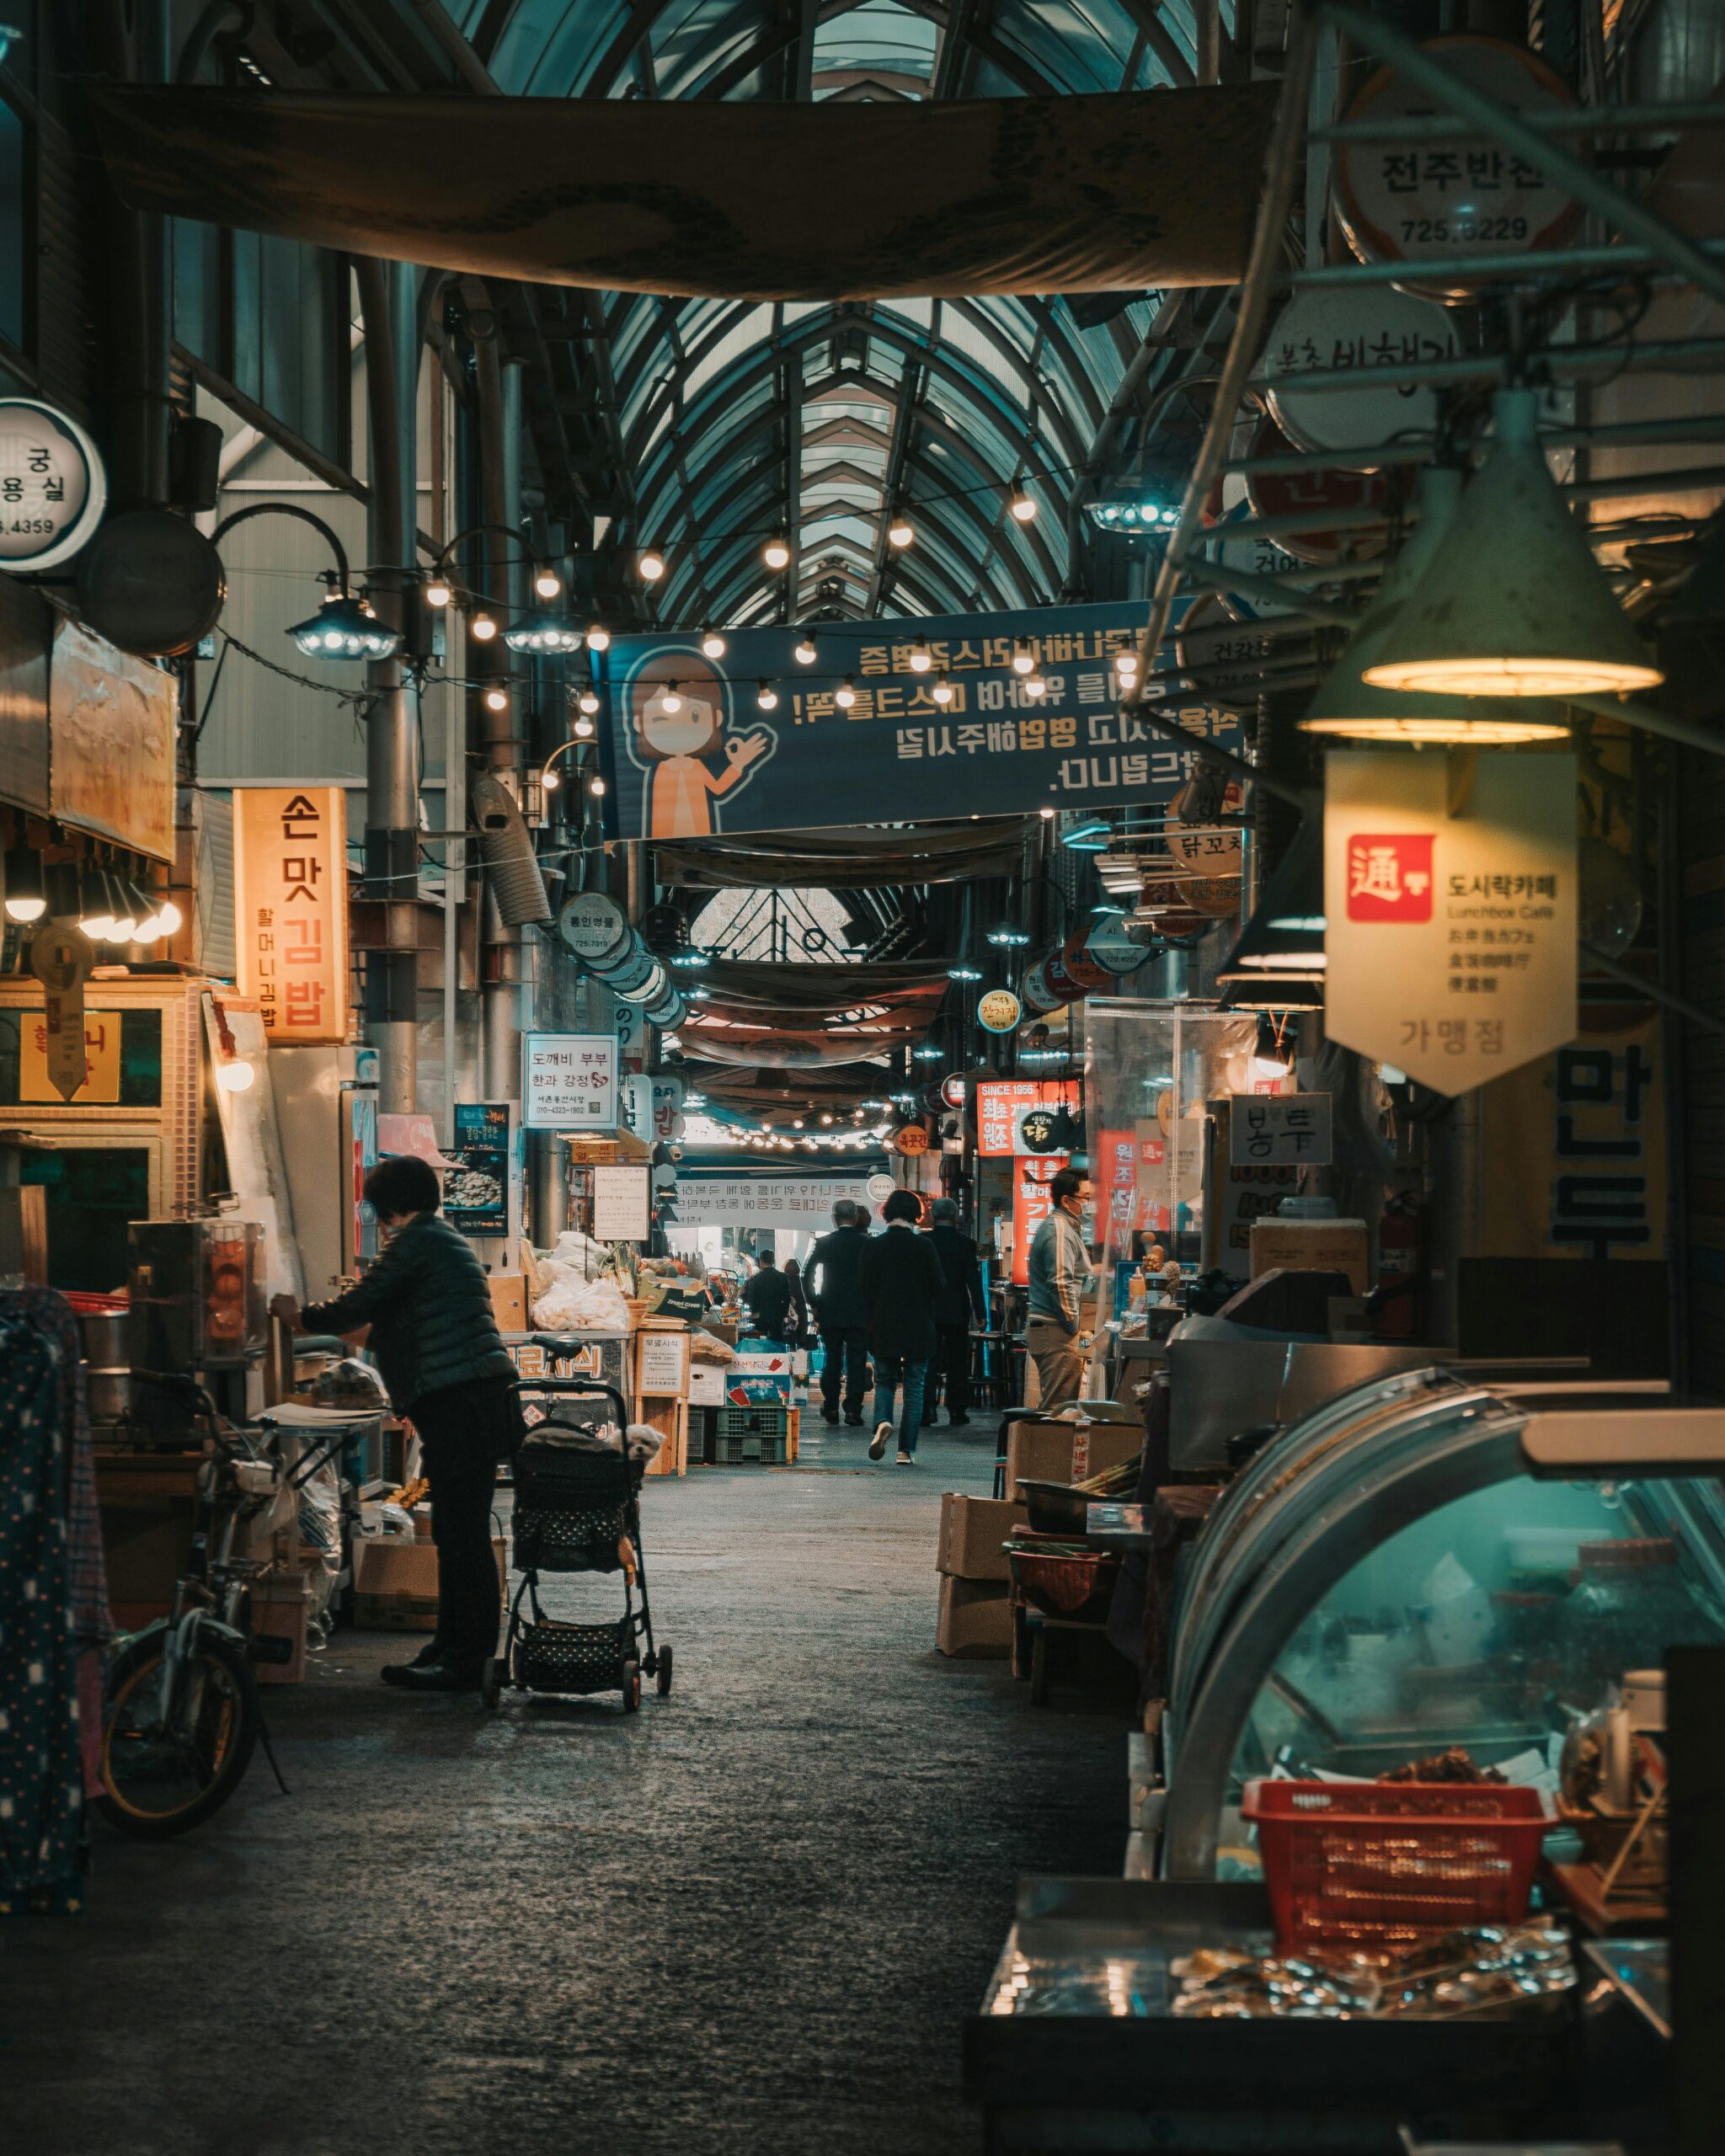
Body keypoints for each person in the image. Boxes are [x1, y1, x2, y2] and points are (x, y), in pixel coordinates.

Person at [279, 1155, 519, 1694]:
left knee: (462, 1537)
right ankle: (450, 1647)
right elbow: (394, 1323)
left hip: (462, 1404)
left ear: (390, 1204)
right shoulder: (440, 1240)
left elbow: (360, 1304)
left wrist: (299, 1316)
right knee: (458, 1534)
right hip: (470, 1402)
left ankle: (465, 1661)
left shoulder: (417, 1242)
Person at [858, 1188, 947, 1465]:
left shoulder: (873, 1246)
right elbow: (939, 1287)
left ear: (886, 1214)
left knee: (884, 1381)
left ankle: (883, 1422)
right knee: (914, 1386)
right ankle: (905, 1451)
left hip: (882, 1325)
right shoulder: (925, 1247)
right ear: (916, 1216)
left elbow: (861, 1287)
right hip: (918, 1326)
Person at [1025, 1166, 1095, 1413]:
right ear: (1066, 1200)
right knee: (1058, 1412)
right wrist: (1072, 1324)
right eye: (1086, 1198)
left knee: (1061, 1409)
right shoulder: (1059, 1230)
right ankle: (1046, 1452)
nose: (1089, 1204)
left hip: (1057, 1329)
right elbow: (1060, 1282)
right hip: (1055, 1330)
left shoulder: (1067, 1227)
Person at [806, 1198, 870, 1426]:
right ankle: (853, 1410)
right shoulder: (866, 1243)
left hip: (830, 1311)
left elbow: (808, 1273)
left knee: (832, 1359)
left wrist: (814, 1301)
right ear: (854, 1218)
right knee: (857, 1361)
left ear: (834, 1218)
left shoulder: (824, 1243)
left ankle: (831, 1406)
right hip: (860, 1312)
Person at [924, 1196, 985, 1426]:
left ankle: (927, 1409)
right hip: (957, 1311)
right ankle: (957, 1410)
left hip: (929, 1311)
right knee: (957, 1363)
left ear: (933, 1215)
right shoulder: (965, 1244)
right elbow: (974, 1281)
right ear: (955, 1216)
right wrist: (981, 1312)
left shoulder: (924, 1241)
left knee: (928, 1361)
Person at [741, 1250, 793, 1343]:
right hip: (777, 1318)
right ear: (773, 1261)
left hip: (760, 1319)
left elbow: (750, 1300)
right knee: (777, 1346)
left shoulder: (755, 1279)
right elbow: (787, 1299)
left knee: (760, 1345)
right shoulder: (783, 1277)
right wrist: (782, 1314)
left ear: (760, 1262)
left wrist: (755, 1313)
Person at [782, 1256, 811, 1345]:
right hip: (802, 1314)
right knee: (802, 1344)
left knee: (790, 1344)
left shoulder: (784, 1282)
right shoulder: (802, 1282)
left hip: (789, 1317)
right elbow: (808, 1298)